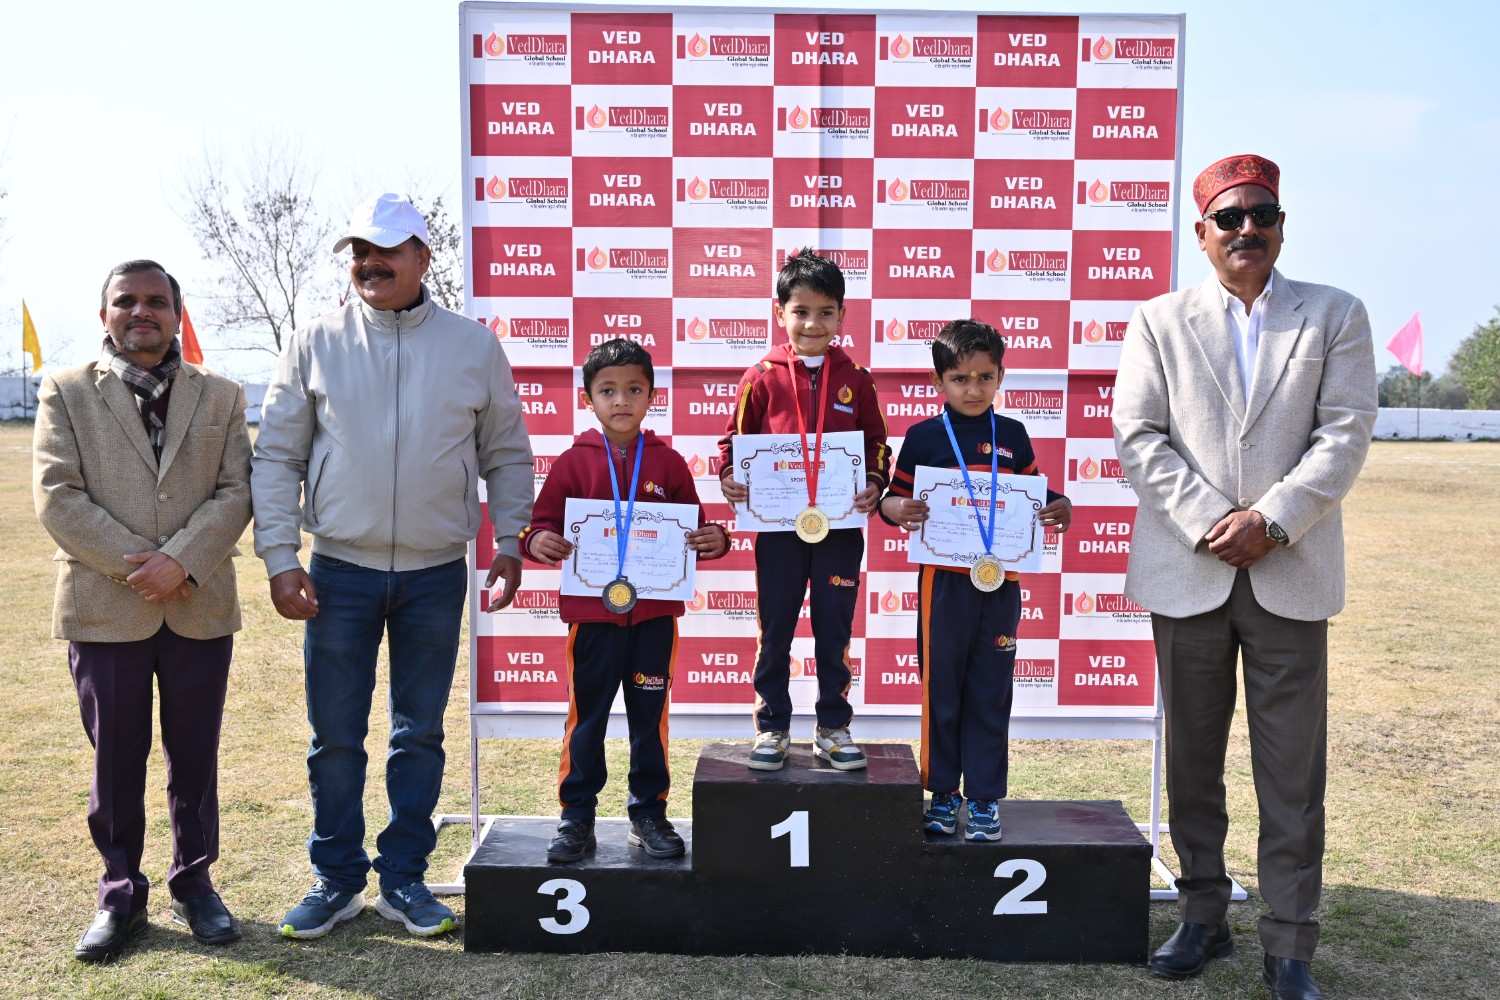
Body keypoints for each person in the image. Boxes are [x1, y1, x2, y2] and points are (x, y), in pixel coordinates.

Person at [1112, 154, 1376, 1000]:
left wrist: (1272, 519)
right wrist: (1211, 521)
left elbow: (1346, 432)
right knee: (1192, 761)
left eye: (1262, 214)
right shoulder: (1158, 320)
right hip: (1188, 569)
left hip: (1290, 569)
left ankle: (1290, 944)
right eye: (1229, 218)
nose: (1247, 229)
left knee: (1292, 772)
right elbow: (1138, 436)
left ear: (1282, 226)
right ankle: (1202, 913)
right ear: (1202, 233)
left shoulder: (1335, 314)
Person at [252, 194, 534, 939]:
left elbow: (507, 453)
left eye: (385, 250)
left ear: (421, 257)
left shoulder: (473, 346)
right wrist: (280, 555)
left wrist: (510, 539)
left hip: (435, 574)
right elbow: (276, 455)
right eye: (358, 252)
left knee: (420, 734)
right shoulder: (314, 341)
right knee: (334, 737)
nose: (368, 264)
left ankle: (403, 878)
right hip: (337, 570)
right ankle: (337, 879)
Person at [33, 260, 252, 961]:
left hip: (198, 604)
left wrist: (180, 561)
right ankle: (119, 892)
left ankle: (196, 883)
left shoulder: (222, 394)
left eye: (156, 300)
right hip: (105, 607)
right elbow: (57, 496)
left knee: (196, 756)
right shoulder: (66, 390)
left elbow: (236, 490)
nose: (141, 311)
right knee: (116, 760)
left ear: (176, 313)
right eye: (125, 300)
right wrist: (142, 567)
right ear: (104, 314)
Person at [522, 338, 730, 863]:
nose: (621, 400)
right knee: (586, 719)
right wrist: (536, 540)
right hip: (592, 619)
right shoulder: (572, 463)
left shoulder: (670, 462)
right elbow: (540, 525)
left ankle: (649, 813)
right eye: (608, 390)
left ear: (652, 396)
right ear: (587, 398)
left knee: (649, 719)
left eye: (634, 390)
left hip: (654, 619)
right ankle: (576, 817)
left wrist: (716, 539)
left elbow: (697, 529)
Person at [878, 319, 1071, 841]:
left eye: (985, 377)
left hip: (1000, 583)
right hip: (942, 584)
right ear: (939, 381)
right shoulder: (923, 437)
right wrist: (895, 509)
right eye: (960, 378)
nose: (973, 388)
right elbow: (891, 500)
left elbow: (1035, 493)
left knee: (991, 689)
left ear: (1001, 377)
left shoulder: (1013, 435)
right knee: (941, 688)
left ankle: (984, 797)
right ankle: (943, 793)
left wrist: (1060, 505)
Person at [717, 249, 890, 771]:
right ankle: (771, 727)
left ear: (842, 315)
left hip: (839, 528)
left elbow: (878, 444)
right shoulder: (760, 377)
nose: (813, 323)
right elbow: (733, 442)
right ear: (780, 313)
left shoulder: (857, 378)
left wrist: (875, 482)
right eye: (801, 311)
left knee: (834, 629)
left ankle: (833, 727)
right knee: (776, 629)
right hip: (778, 530)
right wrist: (730, 476)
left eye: (826, 312)